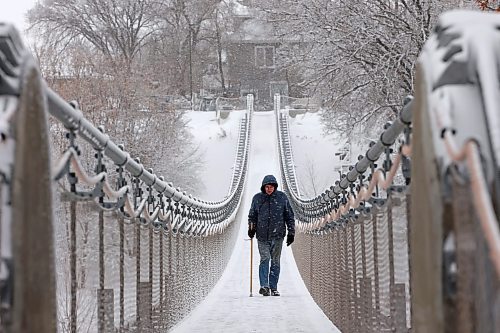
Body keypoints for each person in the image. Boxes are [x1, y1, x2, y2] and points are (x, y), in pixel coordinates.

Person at [248, 175, 295, 296]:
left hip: (278, 235)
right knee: (265, 259)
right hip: (262, 236)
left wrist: (291, 232)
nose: (269, 189)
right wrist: (251, 229)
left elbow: (289, 216)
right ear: (263, 187)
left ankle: (273, 287)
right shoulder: (257, 198)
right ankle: (264, 286)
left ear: (275, 187)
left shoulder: (282, 198)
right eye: (267, 187)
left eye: (271, 187)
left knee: (275, 261)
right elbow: (252, 216)